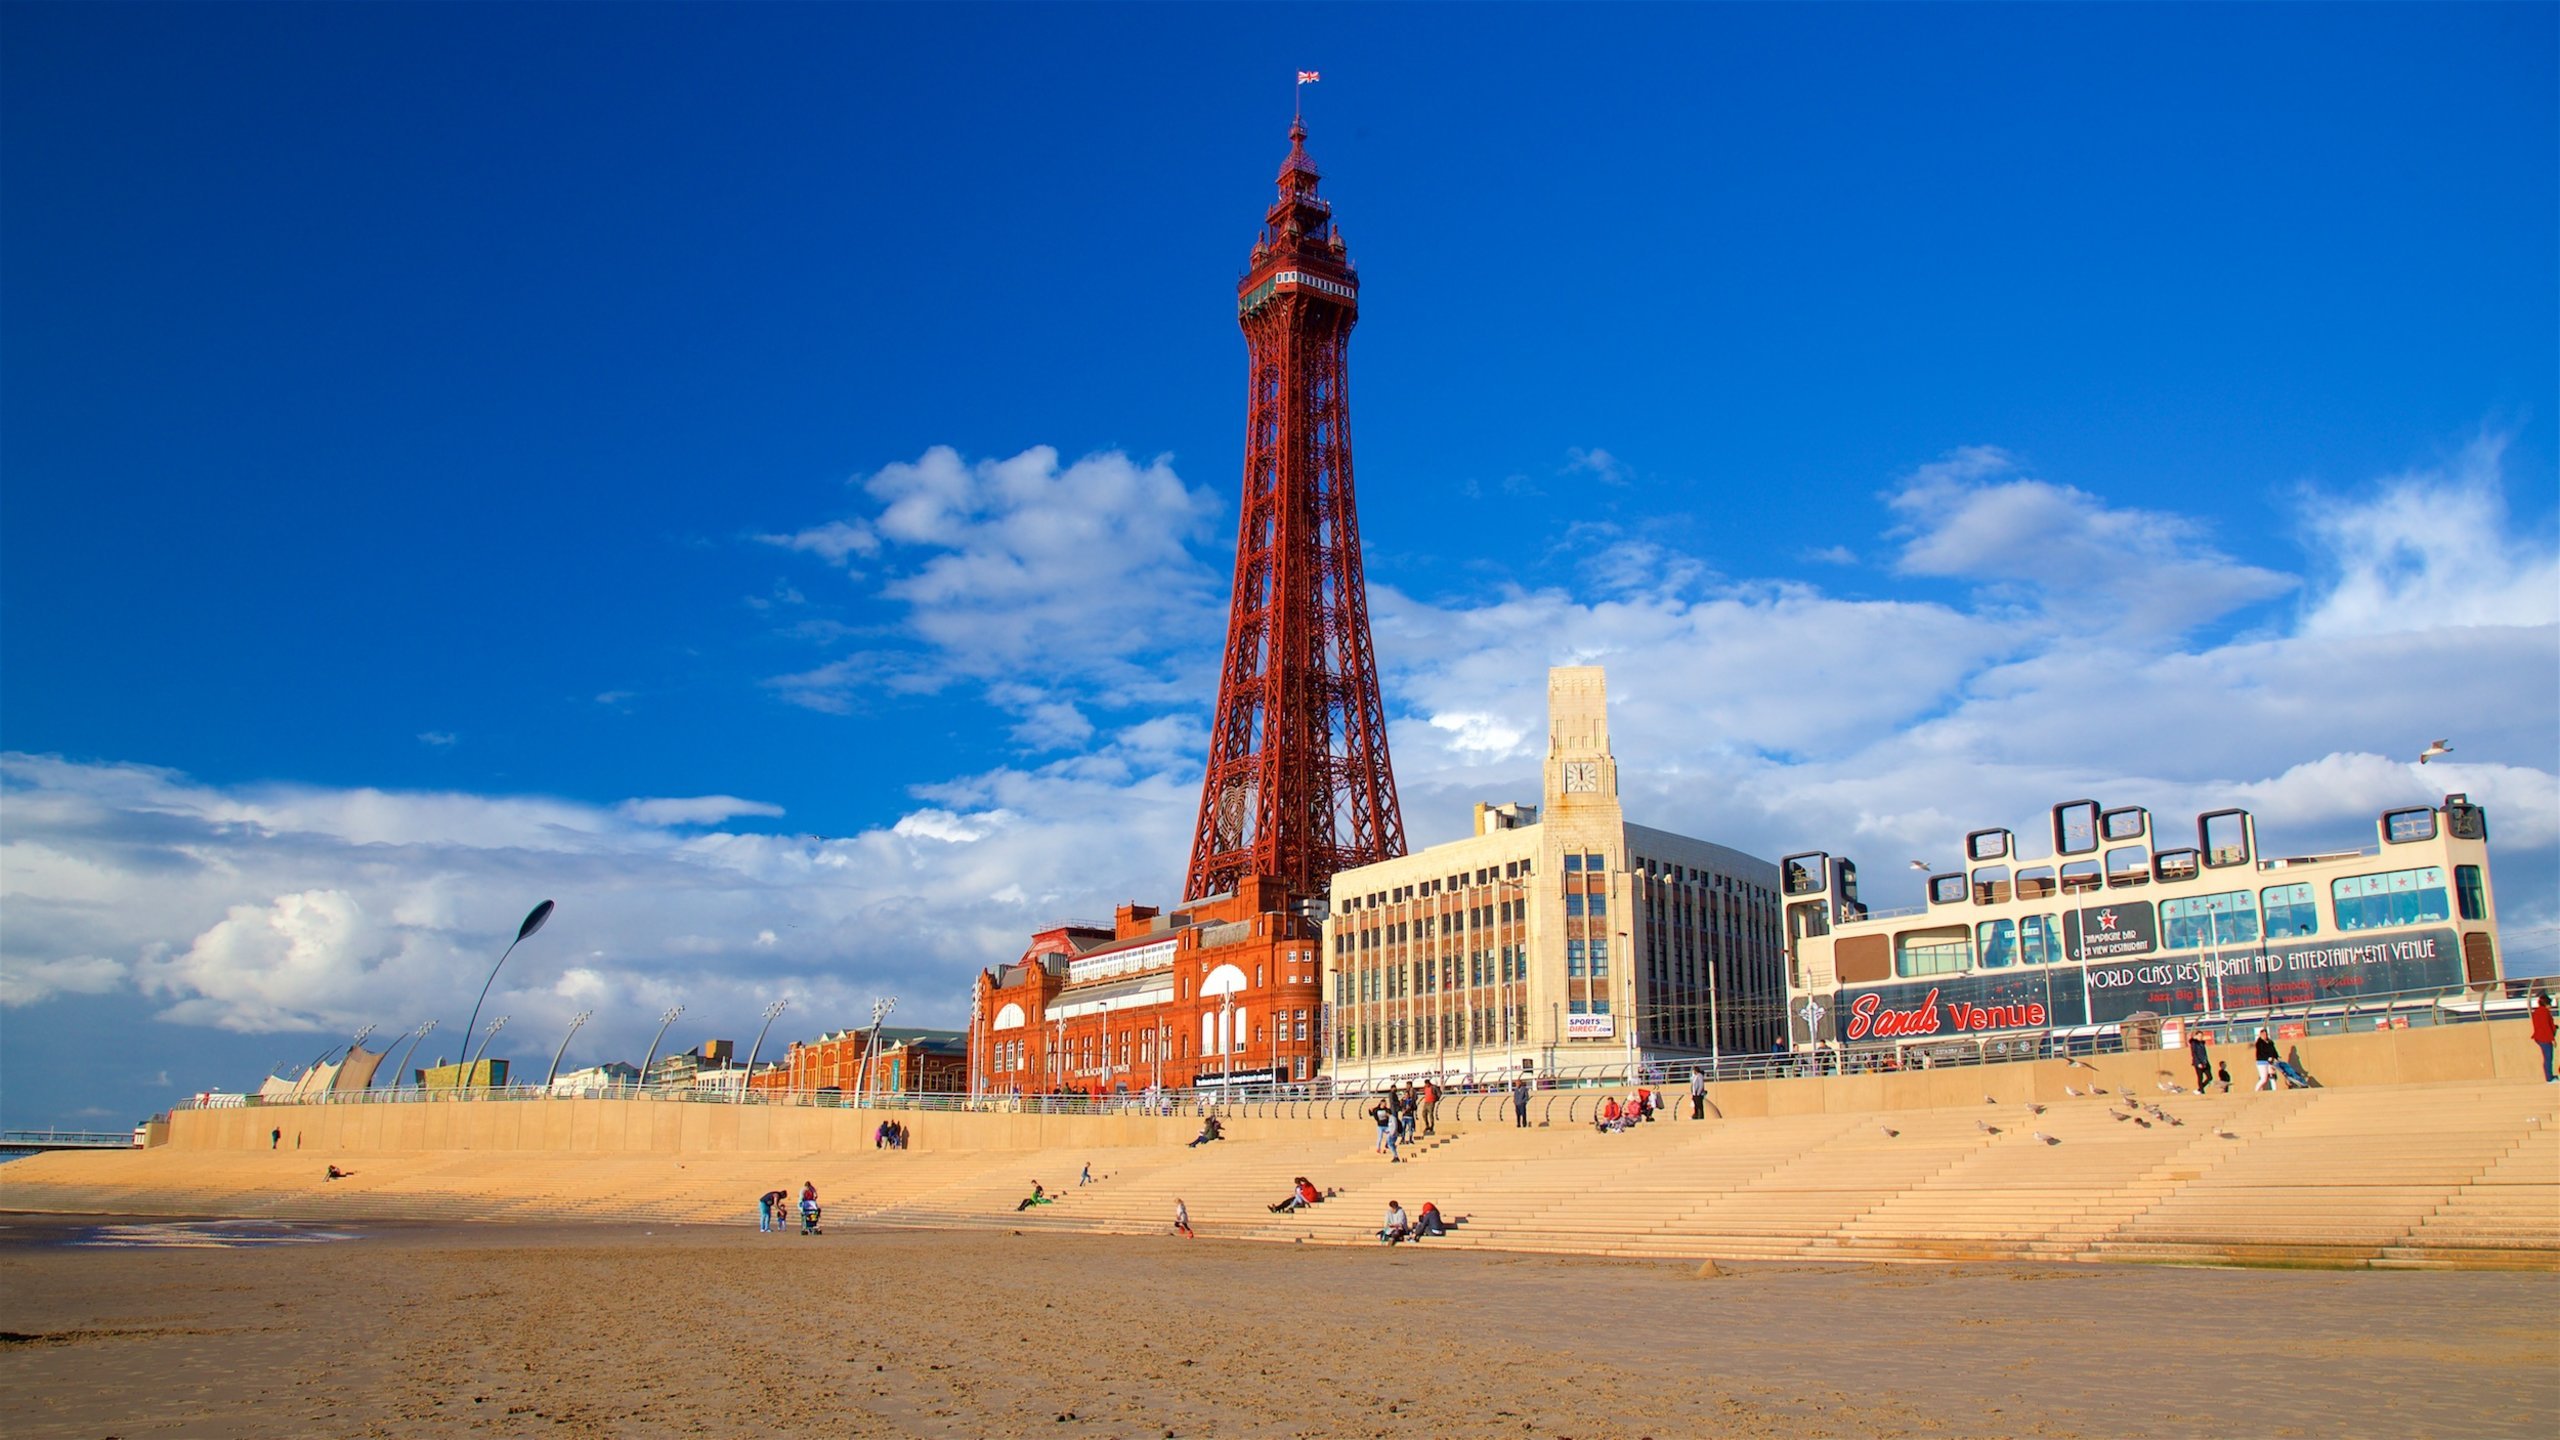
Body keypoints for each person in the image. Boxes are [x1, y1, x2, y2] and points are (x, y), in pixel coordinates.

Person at [2532, 992, 2556, 1084]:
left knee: (2547, 1057)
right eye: (2549, 1004)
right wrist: (2552, 1039)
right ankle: (2549, 1078)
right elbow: (2546, 1026)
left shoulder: (2537, 1012)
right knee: (2548, 1057)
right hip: (2544, 1038)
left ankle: (2550, 1077)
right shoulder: (2544, 1012)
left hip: (2540, 1038)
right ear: (2546, 1004)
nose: (2550, 1006)